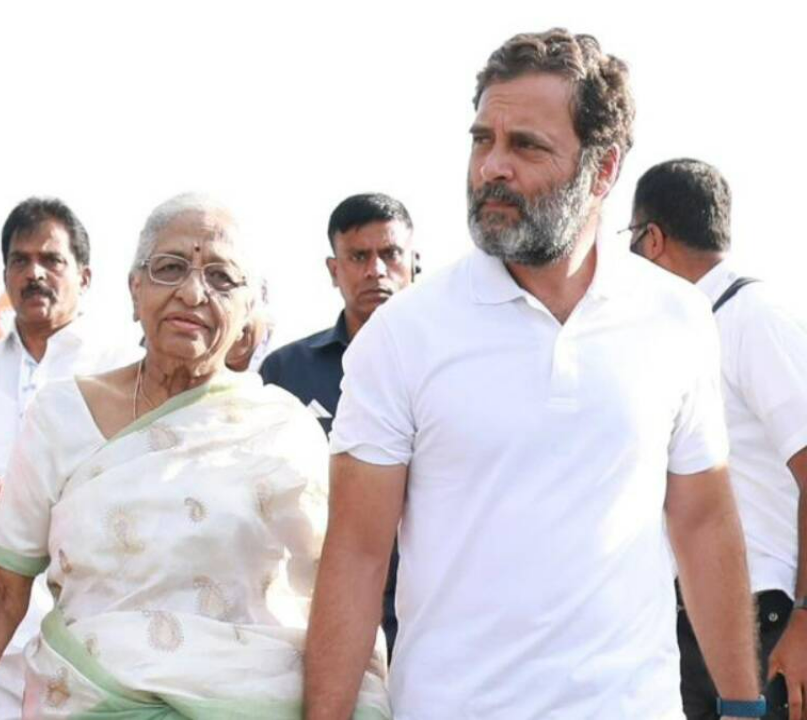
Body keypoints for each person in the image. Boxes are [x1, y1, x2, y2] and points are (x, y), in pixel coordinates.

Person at [305, 29, 764, 719]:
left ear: (603, 171)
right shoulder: (404, 335)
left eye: (526, 145)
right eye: (481, 139)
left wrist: (743, 707)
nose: (492, 166)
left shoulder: (677, 319)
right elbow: (356, 558)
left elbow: (703, 524)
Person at [0, 194, 390, 719]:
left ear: (248, 310)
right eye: (170, 268)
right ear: (134, 287)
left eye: (221, 278)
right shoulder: (61, 416)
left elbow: (339, 594)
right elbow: (3, 594)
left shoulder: (284, 428)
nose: (192, 293)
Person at [0, 197, 137, 719]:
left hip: (89, 632)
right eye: (20, 261)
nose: (34, 273)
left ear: (85, 277)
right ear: (4, 275)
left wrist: (13, 497)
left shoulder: (123, 371)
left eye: (51, 260)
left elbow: (135, 494)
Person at [630, 158, 807, 719]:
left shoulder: (753, 319)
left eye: (629, 241)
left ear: (651, 239)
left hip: (770, 622)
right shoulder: (681, 332)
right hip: (695, 621)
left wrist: (806, 617)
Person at [260, 194, 416, 656]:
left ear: (414, 262)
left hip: (428, 603)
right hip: (322, 605)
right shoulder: (285, 372)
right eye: (358, 257)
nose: (376, 270)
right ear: (334, 269)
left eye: (390, 254)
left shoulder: (449, 368)